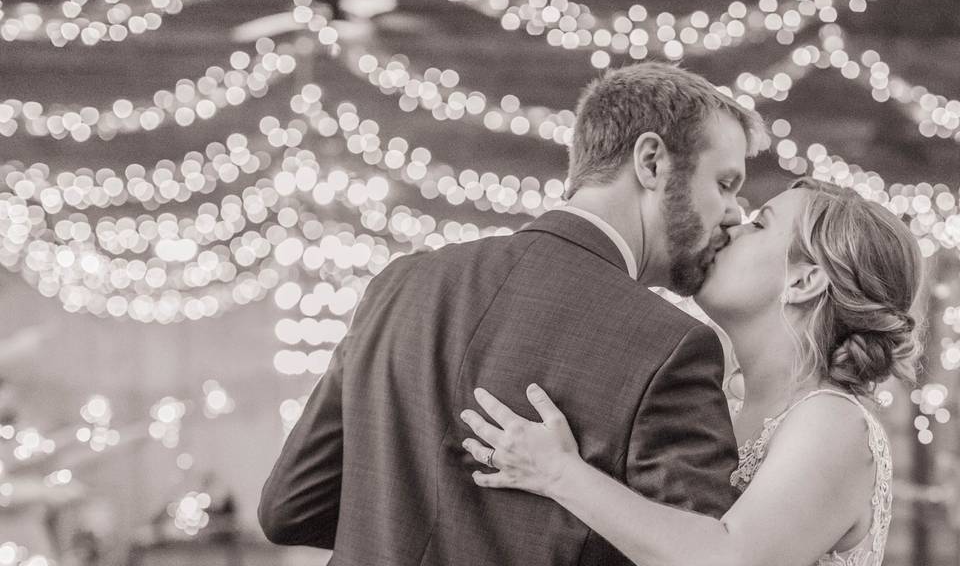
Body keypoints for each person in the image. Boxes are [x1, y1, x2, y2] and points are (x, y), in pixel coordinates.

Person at [257, 61, 767, 564]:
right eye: (724, 183)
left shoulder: (399, 284)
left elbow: (289, 509)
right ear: (652, 162)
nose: (735, 212)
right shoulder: (671, 345)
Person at [461, 177, 922, 566]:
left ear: (804, 281)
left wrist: (560, 473)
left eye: (759, 225)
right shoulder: (722, 397)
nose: (732, 228)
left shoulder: (834, 421)